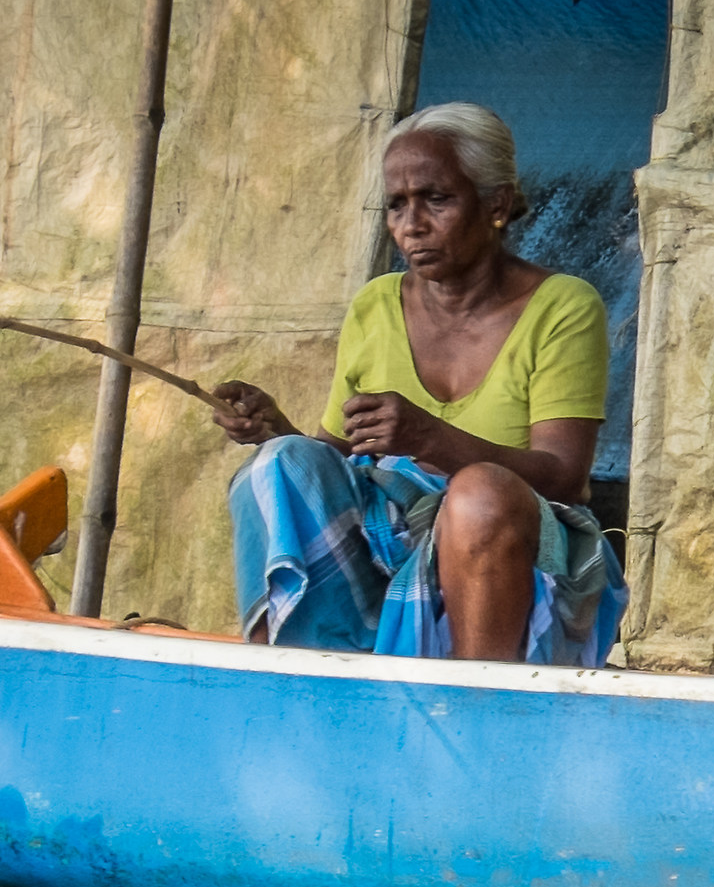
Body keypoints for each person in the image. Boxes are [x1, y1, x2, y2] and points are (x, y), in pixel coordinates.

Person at [211, 103, 626, 665]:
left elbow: (564, 477)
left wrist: (431, 441)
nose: (412, 224)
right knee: (279, 464)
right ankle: (303, 675)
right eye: (397, 205)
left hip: (511, 540)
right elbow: (337, 460)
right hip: (389, 540)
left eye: (437, 198)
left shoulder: (563, 307)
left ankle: (472, 703)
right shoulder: (375, 305)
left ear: (496, 204)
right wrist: (275, 430)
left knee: (478, 493)